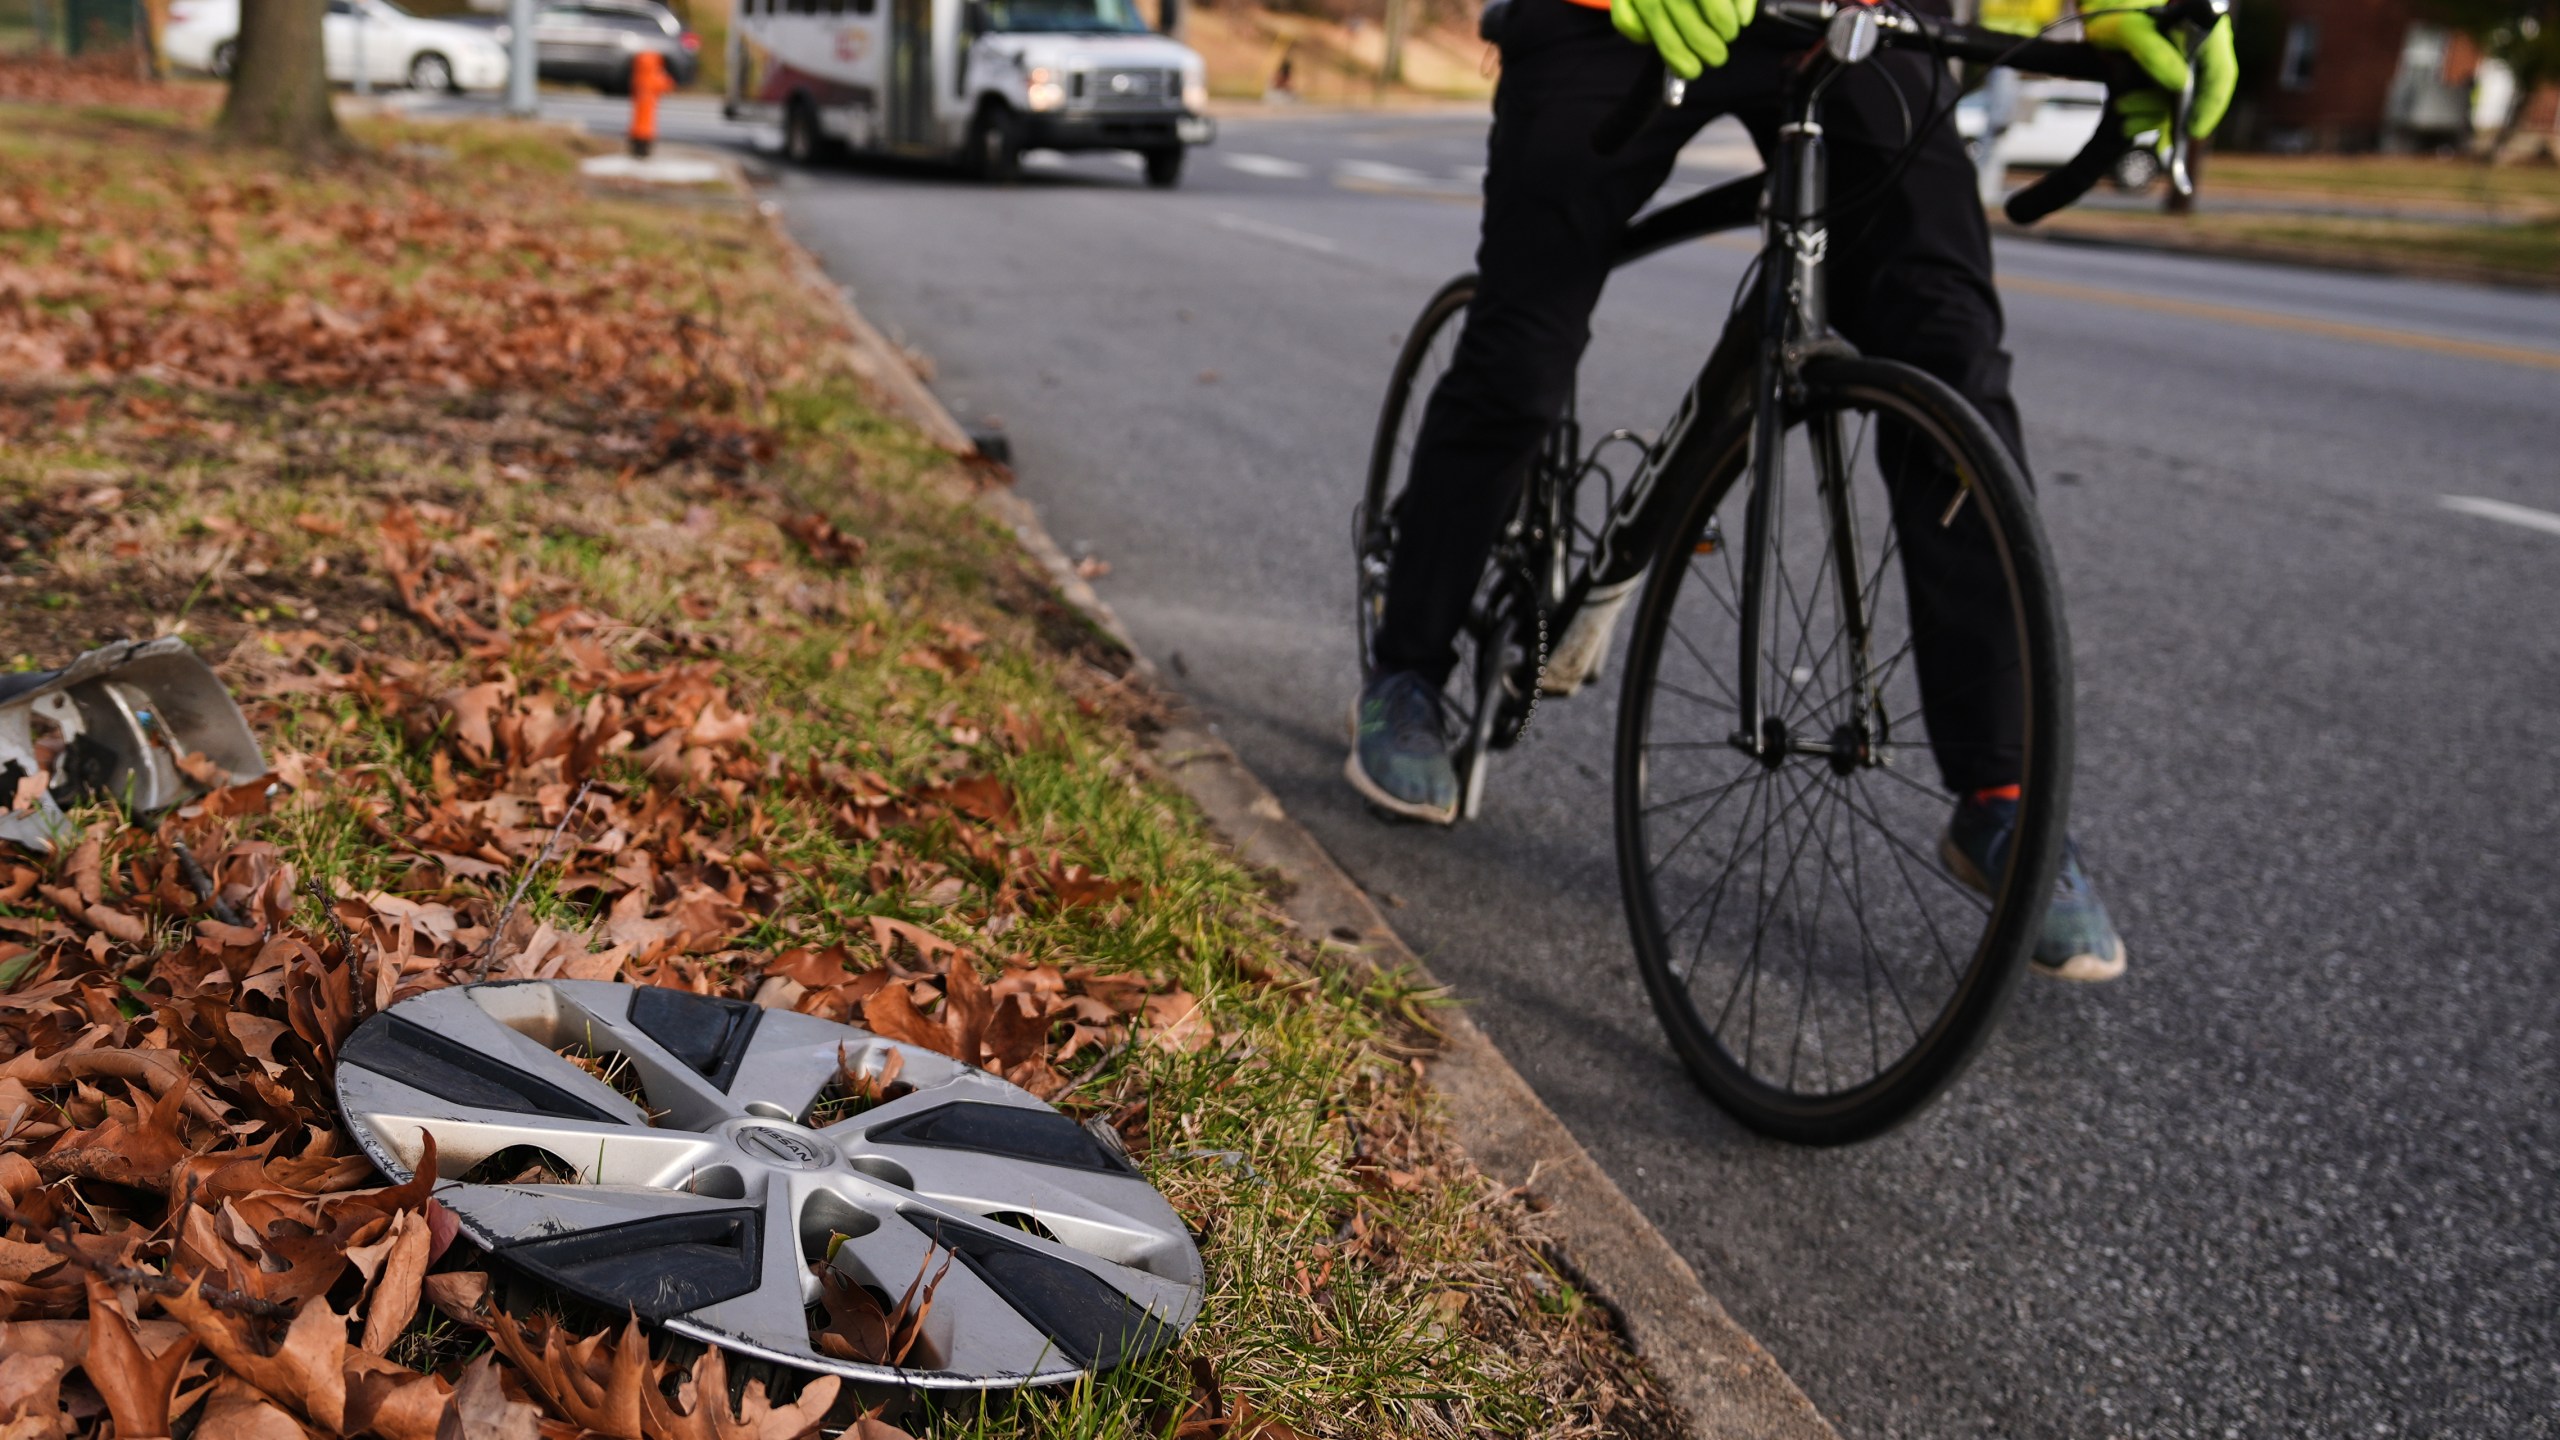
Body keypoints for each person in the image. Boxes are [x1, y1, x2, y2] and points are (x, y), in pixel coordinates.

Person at [1343, 0, 2233, 981]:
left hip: (1861, 18)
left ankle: (2002, 793)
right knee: (1522, 351)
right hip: (1611, 21)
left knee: (1951, 367)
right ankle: (1408, 669)